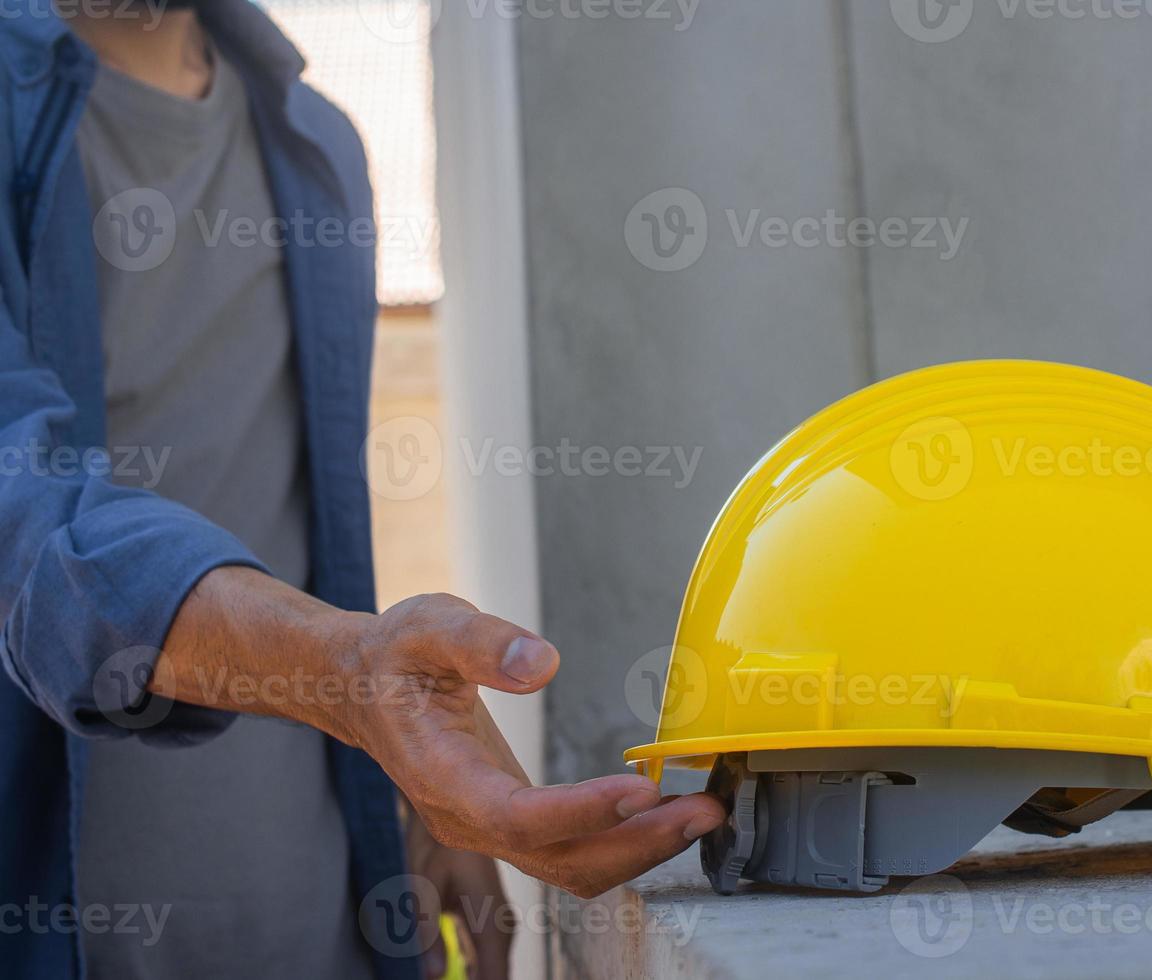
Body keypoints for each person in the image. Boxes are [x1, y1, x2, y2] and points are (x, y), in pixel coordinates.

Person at [0, 4, 726, 979]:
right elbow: (24, 518)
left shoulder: (316, 145)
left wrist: (407, 776)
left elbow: (304, 523)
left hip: (318, 923)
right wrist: (350, 675)